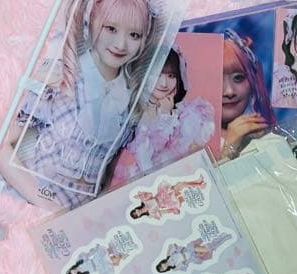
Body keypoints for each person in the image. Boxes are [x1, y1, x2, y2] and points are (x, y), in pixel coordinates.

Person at [0, 0, 157, 209]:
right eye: (111, 29)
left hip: (79, 218)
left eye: (134, 34)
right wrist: (47, 205)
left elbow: (108, 178)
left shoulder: (131, 102)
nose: (121, 44)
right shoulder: (60, 79)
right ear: (91, 23)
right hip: (24, 203)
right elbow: (0, 149)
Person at [109, 46, 215, 187]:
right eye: (157, 74)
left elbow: (194, 161)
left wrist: (167, 115)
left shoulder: (188, 114)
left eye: (171, 76)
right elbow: (145, 162)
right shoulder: (131, 112)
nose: (164, 84)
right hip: (138, 187)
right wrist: (164, 117)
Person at [219, 31, 274, 160]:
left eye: (238, 78)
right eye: (217, 80)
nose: (229, 92)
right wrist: (229, 148)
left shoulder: (260, 130)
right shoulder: (192, 142)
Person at [128, 175, 207, 221]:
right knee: (185, 195)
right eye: (136, 214)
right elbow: (163, 212)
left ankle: (198, 183)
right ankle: (199, 185)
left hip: (162, 193)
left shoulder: (144, 201)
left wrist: (142, 195)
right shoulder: (150, 214)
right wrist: (172, 211)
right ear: (139, 216)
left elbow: (150, 194)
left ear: (135, 209)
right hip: (166, 202)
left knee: (180, 184)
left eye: (135, 211)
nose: (137, 212)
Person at [64, 239, 133, 274]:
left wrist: (94, 250)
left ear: (70, 269)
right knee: (112, 261)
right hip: (98, 267)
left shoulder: (78, 261)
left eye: (71, 272)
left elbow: (87, 254)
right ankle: (122, 255)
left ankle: (120, 249)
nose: (73, 273)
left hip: (95, 259)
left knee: (108, 252)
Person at [155, 232, 234, 274]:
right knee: (211, 248)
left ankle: (223, 237)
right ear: (165, 270)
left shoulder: (169, 255)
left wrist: (169, 254)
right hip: (192, 257)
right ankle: (223, 237)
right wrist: (183, 261)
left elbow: (172, 245)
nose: (163, 267)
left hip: (189, 250)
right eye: (163, 269)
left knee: (208, 249)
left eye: (161, 266)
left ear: (161, 263)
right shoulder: (174, 268)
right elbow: (185, 266)